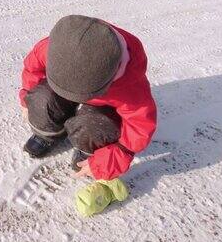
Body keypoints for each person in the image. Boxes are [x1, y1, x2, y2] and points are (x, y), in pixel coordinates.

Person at [19, 15, 157, 180]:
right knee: (41, 99)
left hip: (101, 107)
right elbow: (32, 69)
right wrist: (26, 97)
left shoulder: (128, 84)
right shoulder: (54, 48)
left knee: (96, 124)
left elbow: (140, 126)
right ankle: (48, 133)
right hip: (65, 84)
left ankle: (88, 150)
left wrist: (112, 158)